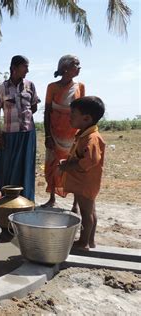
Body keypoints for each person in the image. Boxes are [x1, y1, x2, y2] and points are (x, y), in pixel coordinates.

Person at [0, 55, 40, 201]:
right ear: (14, 68)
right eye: (25, 66)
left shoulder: (30, 85)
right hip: (9, 133)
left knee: (25, 165)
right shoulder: (2, 87)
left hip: (27, 133)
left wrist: (23, 116)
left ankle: (25, 198)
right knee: (6, 165)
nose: (27, 70)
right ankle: (5, 198)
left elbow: (34, 106)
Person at [59, 96, 105, 250]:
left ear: (86, 118)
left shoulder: (91, 138)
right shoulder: (84, 134)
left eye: (73, 114)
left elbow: (91, 160)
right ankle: (90, 241)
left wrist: (69, 165)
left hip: (85, 182)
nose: (69, 117)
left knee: (86, 214)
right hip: (83, 182)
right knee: (90, 211)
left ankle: (83, 242)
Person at [43, 55, 85, 211]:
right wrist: (47, 135)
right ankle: (52, 198)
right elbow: (47, 112)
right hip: (54, 133)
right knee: (53, 166)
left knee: (73, 166)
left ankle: (75, 204)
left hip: (73, 135)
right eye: (76, 64)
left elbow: (83, 111)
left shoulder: (80, 86)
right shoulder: (52, 87)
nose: (79, 67)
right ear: (66, 68)